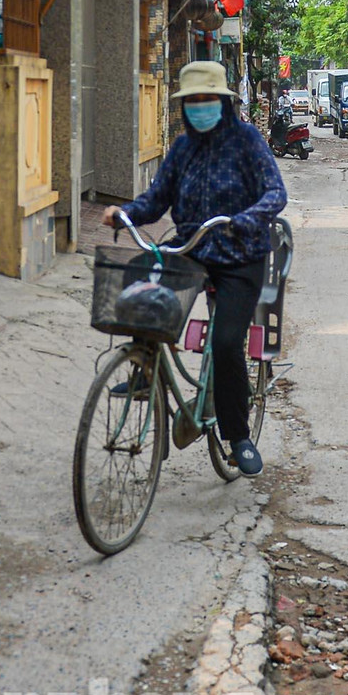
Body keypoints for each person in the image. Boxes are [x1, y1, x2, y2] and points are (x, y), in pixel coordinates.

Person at [102, 61, 287, 477]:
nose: (200, 106)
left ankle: (236, 435)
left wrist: (248, 217)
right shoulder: (183, 147)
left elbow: (276, 192)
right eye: (193, 101)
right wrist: (124, 214)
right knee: (141, 278)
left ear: (223, 102)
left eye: (207, 99)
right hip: (192, 247)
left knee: (225, 343)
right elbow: (156, 198)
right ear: (185, 107)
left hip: (241, 256)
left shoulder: (247, 140)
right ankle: (141, 368)